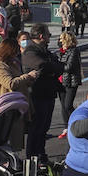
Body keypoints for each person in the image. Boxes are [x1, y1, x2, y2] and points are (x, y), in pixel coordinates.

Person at [21, 24, 66, 167]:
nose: (49, 37)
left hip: (48, 94)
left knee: (44, 128)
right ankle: (32, 159)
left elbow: (59, 66)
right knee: (36, 129)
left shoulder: (44, 51)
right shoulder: (31, 51)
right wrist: (51, 68)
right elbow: (44, 66)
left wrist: (52, 68)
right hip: (37, 95)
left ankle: (41, 156)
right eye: (48, 34)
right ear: (41, 36)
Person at [0, 35, 40, 149]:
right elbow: (10, 83)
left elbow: (19, 81)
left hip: (14, 107)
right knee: (3, 140)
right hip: (3, 107)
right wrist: (27, 76)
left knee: (15, 140)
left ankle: (12, 158)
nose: (16, 54)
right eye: (14, 52)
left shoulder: (12, 64)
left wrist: (30, 79)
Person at [57, 32, 83, 134]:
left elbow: (69, 66)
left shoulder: (74, 51)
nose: (59, 41)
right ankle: (66, 126)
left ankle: (77, 122)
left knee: (68, 105)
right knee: (63, 105)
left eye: (61, 39)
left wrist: (58, 66)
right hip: (61, 80)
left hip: (71, 81)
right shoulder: (61, 51)